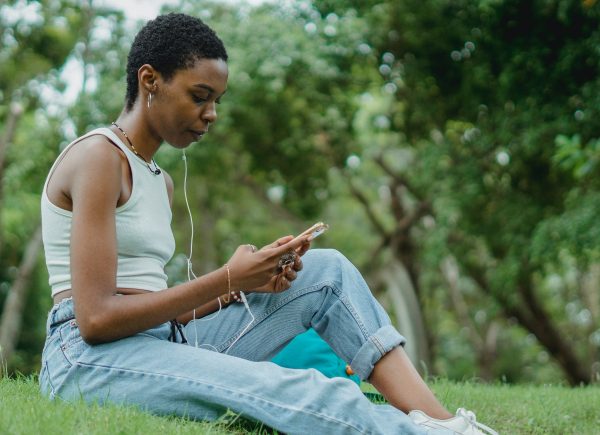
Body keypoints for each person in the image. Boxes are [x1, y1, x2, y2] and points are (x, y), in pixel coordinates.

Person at [39, 13, 497, 435]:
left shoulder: (158, 181)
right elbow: (96, 319)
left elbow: (162, 309)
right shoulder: (99, 157)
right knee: (293, 387)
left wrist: (247, 284)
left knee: (328, 271)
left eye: (216, 100)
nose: (211, 114)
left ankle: (445, 423)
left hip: (163, 340)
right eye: (199, 97)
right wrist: (227, 277)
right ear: (150, 80)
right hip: (87, 359)